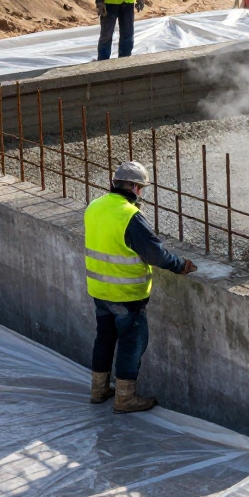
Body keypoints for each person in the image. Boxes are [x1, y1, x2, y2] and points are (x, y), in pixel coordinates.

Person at [86, 161, 197, 412]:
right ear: (135, 187)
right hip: (126, 294)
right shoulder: (130, 215)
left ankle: (98, 389)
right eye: (142, 188)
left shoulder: (95, 206)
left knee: (104, 338)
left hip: (99, 290)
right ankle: (125, 398)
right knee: (131, 343)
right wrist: (179, 265)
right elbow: (155, 254)